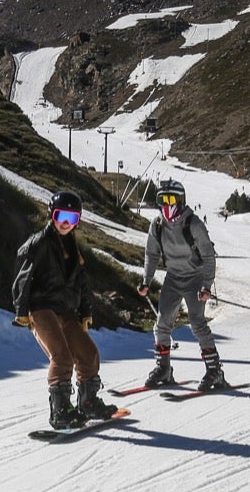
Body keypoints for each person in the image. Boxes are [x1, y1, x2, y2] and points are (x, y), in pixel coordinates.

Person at [13, 191, 120, 429]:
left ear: (77, 221)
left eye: (72, 219)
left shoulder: (74, 249)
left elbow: (81, 284)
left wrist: (85, 312)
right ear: (52, 215)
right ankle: (60, 410)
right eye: (61, 216)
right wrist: (22, 310)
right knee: (61, 357)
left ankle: (88, 402)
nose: (65, 223)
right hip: (40, 308)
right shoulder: (39, 243)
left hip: (65, 310)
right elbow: (23, 279)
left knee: (89, 353)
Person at [137, 178, 228, 391]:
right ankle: (163, 369)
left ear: (182, 200)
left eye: (172, 199)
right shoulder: (157, 224)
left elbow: (208, 256)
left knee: (197, 323)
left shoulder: (193, 224)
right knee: (162, 323)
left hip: (194, 278)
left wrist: (206, 285)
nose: (168, 205)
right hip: (173, 278)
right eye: (163, 200)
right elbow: (151, 253)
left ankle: (215, 371)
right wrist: (145, 281)